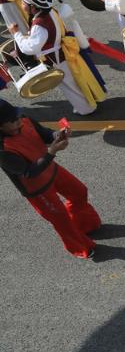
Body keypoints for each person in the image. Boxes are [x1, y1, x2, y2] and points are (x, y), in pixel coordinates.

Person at [0, 99, 101, 260]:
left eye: (18, 116)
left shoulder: (24, 119)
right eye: (13, 121)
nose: (19, 121)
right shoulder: (3, 150)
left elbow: (43, 133)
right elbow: (29, 173)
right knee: (60, 219)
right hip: (36, 189)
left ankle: (84, 225)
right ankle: (80, 247)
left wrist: (57, 135)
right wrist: (52, 152)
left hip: (50, 169)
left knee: (79, 191)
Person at [11, 0, 106, 115]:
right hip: (63, 52)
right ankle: (89, 101)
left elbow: (30, 48)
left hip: (55, 58)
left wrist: (16, 33)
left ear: (32, 7)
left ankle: (86, 108)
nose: (21, 4)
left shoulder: (40, 23)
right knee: (76, 80)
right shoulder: (51, 11)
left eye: (23, 2)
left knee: (69, 85)